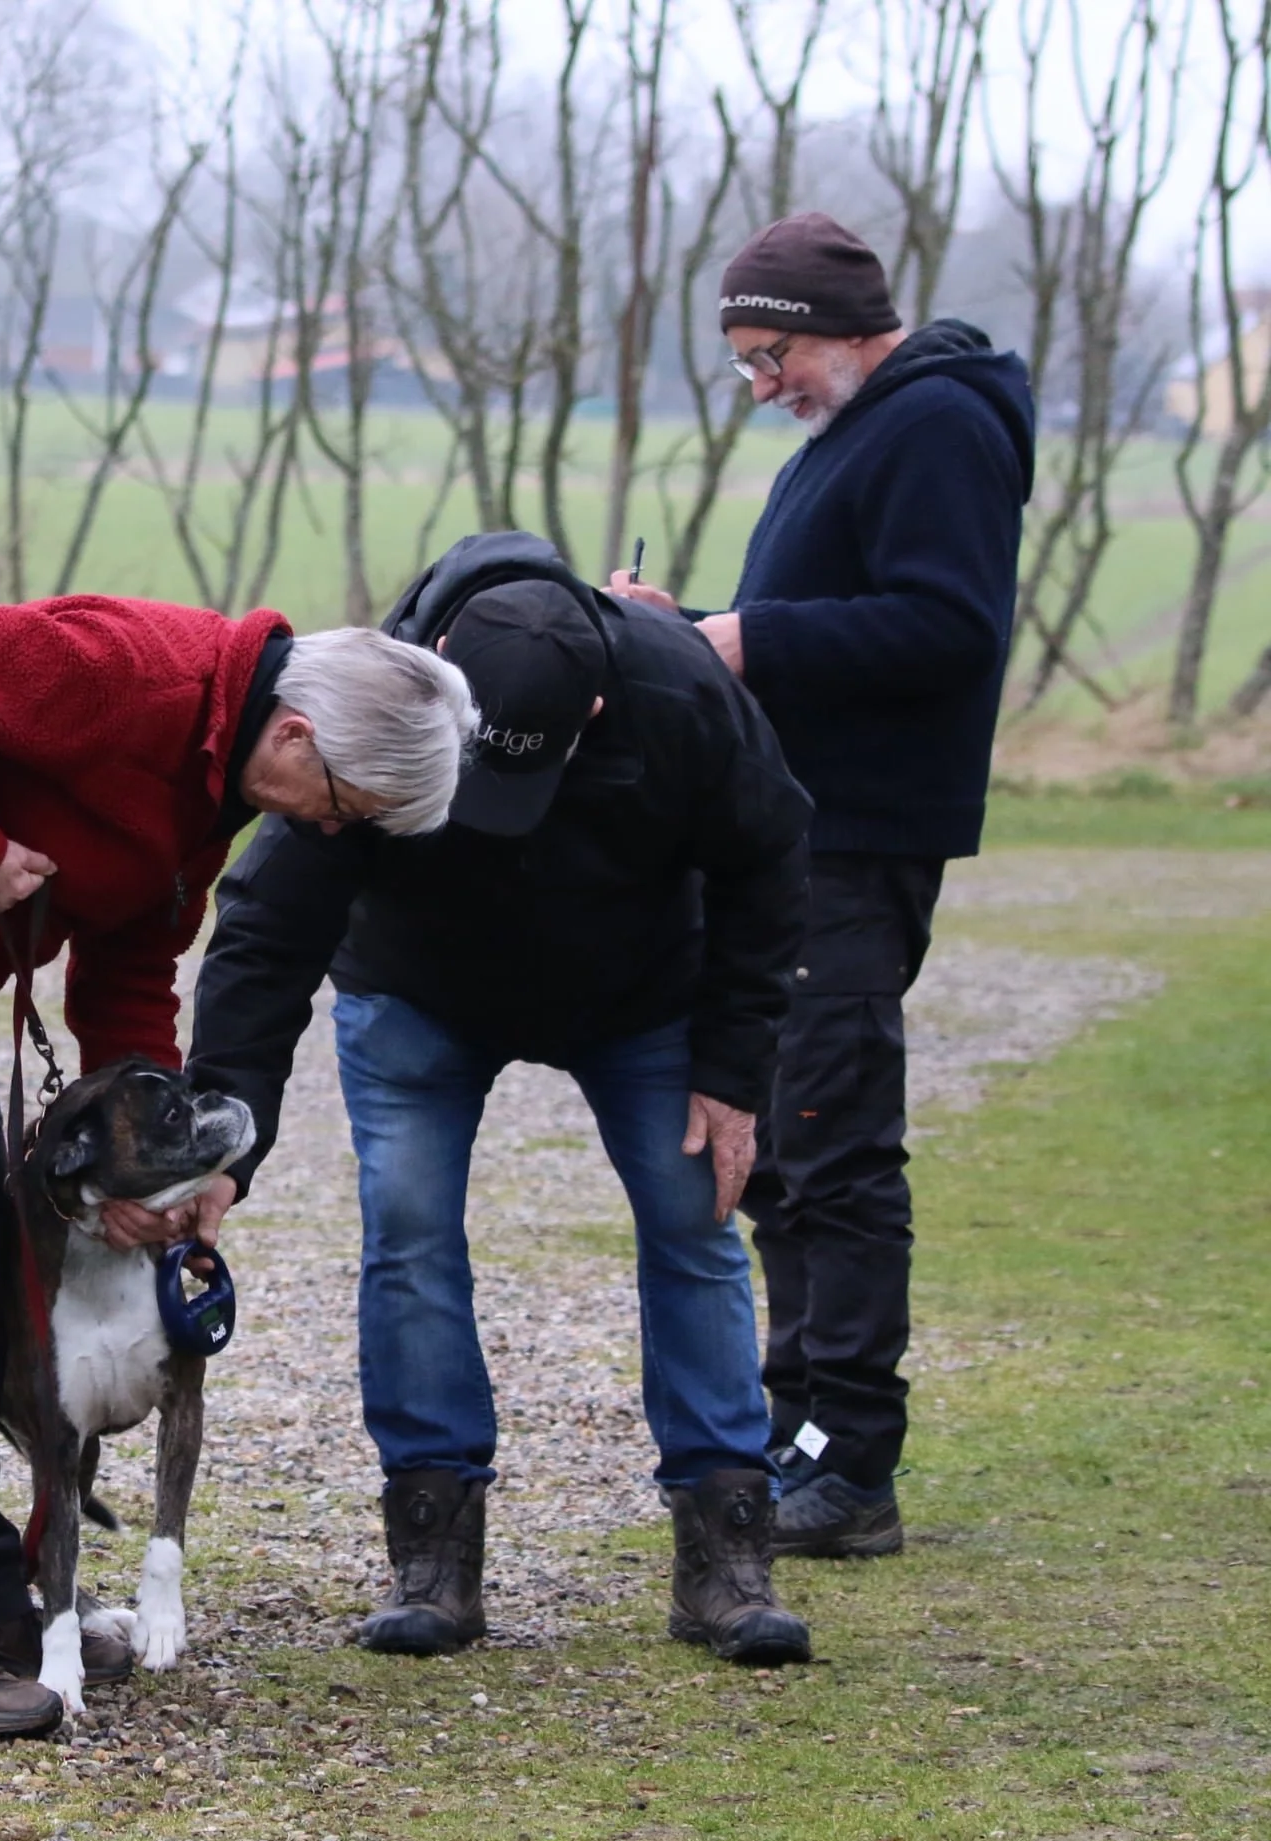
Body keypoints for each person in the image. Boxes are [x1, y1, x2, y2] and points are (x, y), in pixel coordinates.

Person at [0, 595, 476, 1737]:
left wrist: (148, 1178)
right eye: (346, 806)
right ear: (298, 735)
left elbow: (130, 969)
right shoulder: (132, 675)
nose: (332, 830)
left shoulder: (211, 795)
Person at [171, 535, 816, 1665]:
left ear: (596, 703)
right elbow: (268, 927)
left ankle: (726, 1551)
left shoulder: (680, 690)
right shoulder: (384, 692)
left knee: (695, 1222)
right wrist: (227, 1135)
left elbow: (768, 862)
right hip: (417, 990)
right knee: (410, 1232)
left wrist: (730, 1069)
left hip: (642, 994)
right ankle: (432, 1551)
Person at [612, 211, 1035, 1558]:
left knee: (831, 1138)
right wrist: (691, 633)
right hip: (801, 836)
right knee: (782, 1147)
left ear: (833, 326)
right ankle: (795, 1429)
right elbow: (829, 620)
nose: (760, 386)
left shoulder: (937, 425)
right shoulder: (861, 427)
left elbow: (948, 625)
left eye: (767, 355)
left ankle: (852, 1462)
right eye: (744, 362)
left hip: (858, 840)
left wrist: (741, 640)